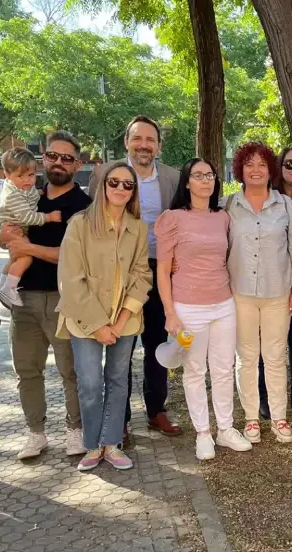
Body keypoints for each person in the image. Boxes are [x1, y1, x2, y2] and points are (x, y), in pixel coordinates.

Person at [0, 131, 91, 460]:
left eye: (67, 158)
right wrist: (3, 238)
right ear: (43, 158)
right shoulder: (28, 196)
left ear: (77, 164)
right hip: (23, 299)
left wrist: (27, 247)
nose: (58, 162)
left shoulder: (83, 205)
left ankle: (75, 431)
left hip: (62, 298)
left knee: (70, 371)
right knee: (27, 370)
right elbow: (5, 235)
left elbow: (76, 257)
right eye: (52, 156)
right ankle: (35, 433)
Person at [89, 115, 182, 443]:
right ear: (126, 142)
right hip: (118, 273)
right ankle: (121, 419)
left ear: (158, 145)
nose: (144, 145)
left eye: (150, 140)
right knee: (120, 346)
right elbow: (93, 222)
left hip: (160, 272)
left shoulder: (172, 177)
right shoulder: (106, 175)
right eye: (137, 138)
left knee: (158, 343)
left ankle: (157, 409)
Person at [56, 163, 151, 471]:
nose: (121, 189)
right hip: (84, 321)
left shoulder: (138, 227)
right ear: (102, 185)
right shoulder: (80, 224)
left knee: (118, 380)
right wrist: (99, 325)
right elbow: (70, 279)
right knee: (91, 383)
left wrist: (121, 321)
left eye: (128, 185)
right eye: (115, 182)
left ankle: (112, 443)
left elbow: (141, 274)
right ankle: (92, 445)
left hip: (125, 319)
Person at [156, 159, 252, 460]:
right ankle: (203, 433)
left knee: (223, 368)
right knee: (195, 371)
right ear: (187, 182)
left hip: (223, 303)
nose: (205, 181)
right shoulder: (172, 218)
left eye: (210, 175)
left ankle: (225, 429)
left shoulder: (223, 217)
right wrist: (170, 312)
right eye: (198, 176)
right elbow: (162, 271)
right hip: (188, 305)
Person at [228, 142, 292, 445]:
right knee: (246, 358)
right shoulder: (229, 204)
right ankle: (250, 418)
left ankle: (279, 417)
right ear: (240, 170)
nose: (256, 169)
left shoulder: (284, 204)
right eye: (249, 164)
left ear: (271, 169)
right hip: (240, 294)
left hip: (277, 293)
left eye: (262, 164)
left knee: (275, 356)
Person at [256, 147, 292, 417]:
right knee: (265, 342)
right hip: (267, 282)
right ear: (279, 166)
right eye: (290, 163)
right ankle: (265, 395)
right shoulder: (265, 198)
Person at [0, 148, 61, 308]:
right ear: (7, 175)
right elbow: (27, 217)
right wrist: (48, 217)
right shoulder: (13, 195)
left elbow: (30, 195)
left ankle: (2, 285)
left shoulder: (21, 188)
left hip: (13, 227)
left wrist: (37, 192)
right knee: (26, 257)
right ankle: (9, 289)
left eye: (30, 175)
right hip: (12, 227)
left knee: (15, 258)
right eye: (20, 176)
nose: (27, 181)